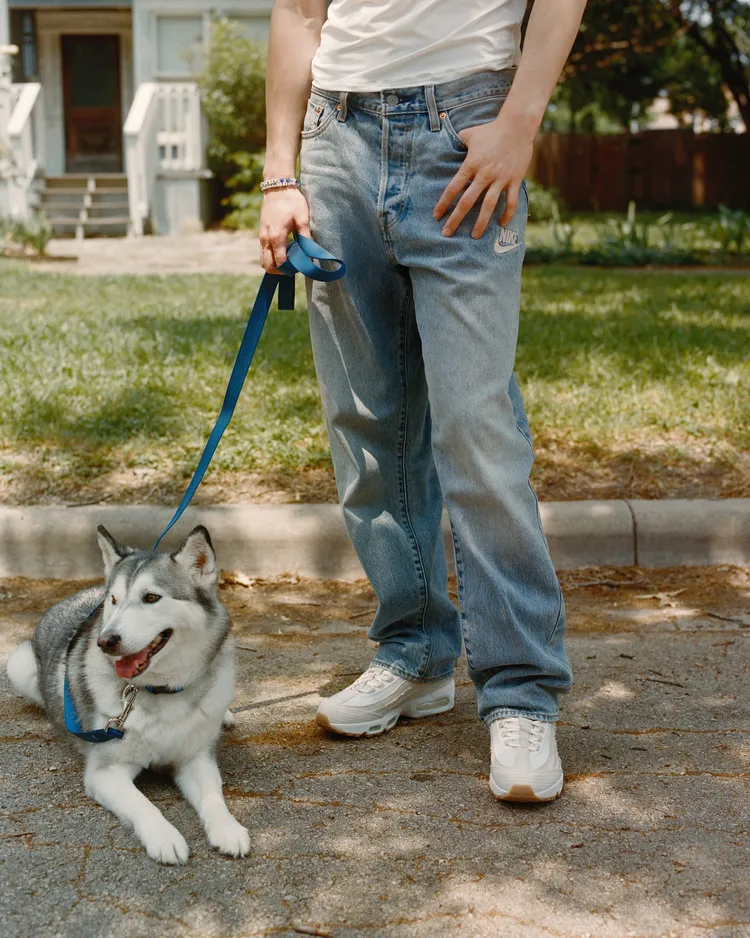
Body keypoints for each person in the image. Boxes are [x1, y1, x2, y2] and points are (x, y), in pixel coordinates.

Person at [260, 0, 586, 802]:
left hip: (465, 126)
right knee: (367, 420)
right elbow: (299, 10)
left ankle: (520, 694)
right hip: (336, 137)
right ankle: (415, 652)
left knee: (476, 424)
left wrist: (521, 120)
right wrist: (281, 172)